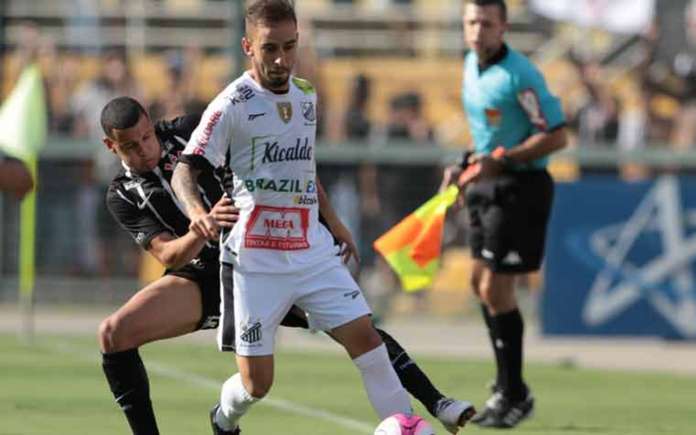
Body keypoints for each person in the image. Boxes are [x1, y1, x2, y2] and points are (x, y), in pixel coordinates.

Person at [99, 96, 474, 434]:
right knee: (115, 334)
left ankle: (436, 401)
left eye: (147, 137)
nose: (145, 150)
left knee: (356, 327)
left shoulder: (189, 130)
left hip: (264, 257)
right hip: (202, 275)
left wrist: (332, 222)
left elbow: (289, 166)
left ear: (152, 124)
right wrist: (204, 226)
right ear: (110, 146)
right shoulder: (120, 195)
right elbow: (168, 255)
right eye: (131, 146)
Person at [169, 1, 422, 431]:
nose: (281, 59)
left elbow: (304, 171)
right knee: (257, 384)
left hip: (310, 250)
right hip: (255, 259)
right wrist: (197, 212)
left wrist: (335, 223)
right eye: (270, 49)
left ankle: (406, 426)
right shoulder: (231, 104)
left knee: (368, 342)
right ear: (248, 46)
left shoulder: (306, 95)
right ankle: (223, 418)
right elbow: (184, 170)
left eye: (289, 46)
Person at [441, 0, 568, 429]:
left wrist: (505, 159)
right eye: (471, 22)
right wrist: (463, 166)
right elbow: (486, 135)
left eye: (487, 23)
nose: (478, 31)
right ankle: (507, 387)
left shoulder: (520, 75)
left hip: (520, 187)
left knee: (496, 289)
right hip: (486, 182)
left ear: (503, 27)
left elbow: (555, 136)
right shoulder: (470, 66)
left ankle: (514, 391)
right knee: (481, 284)